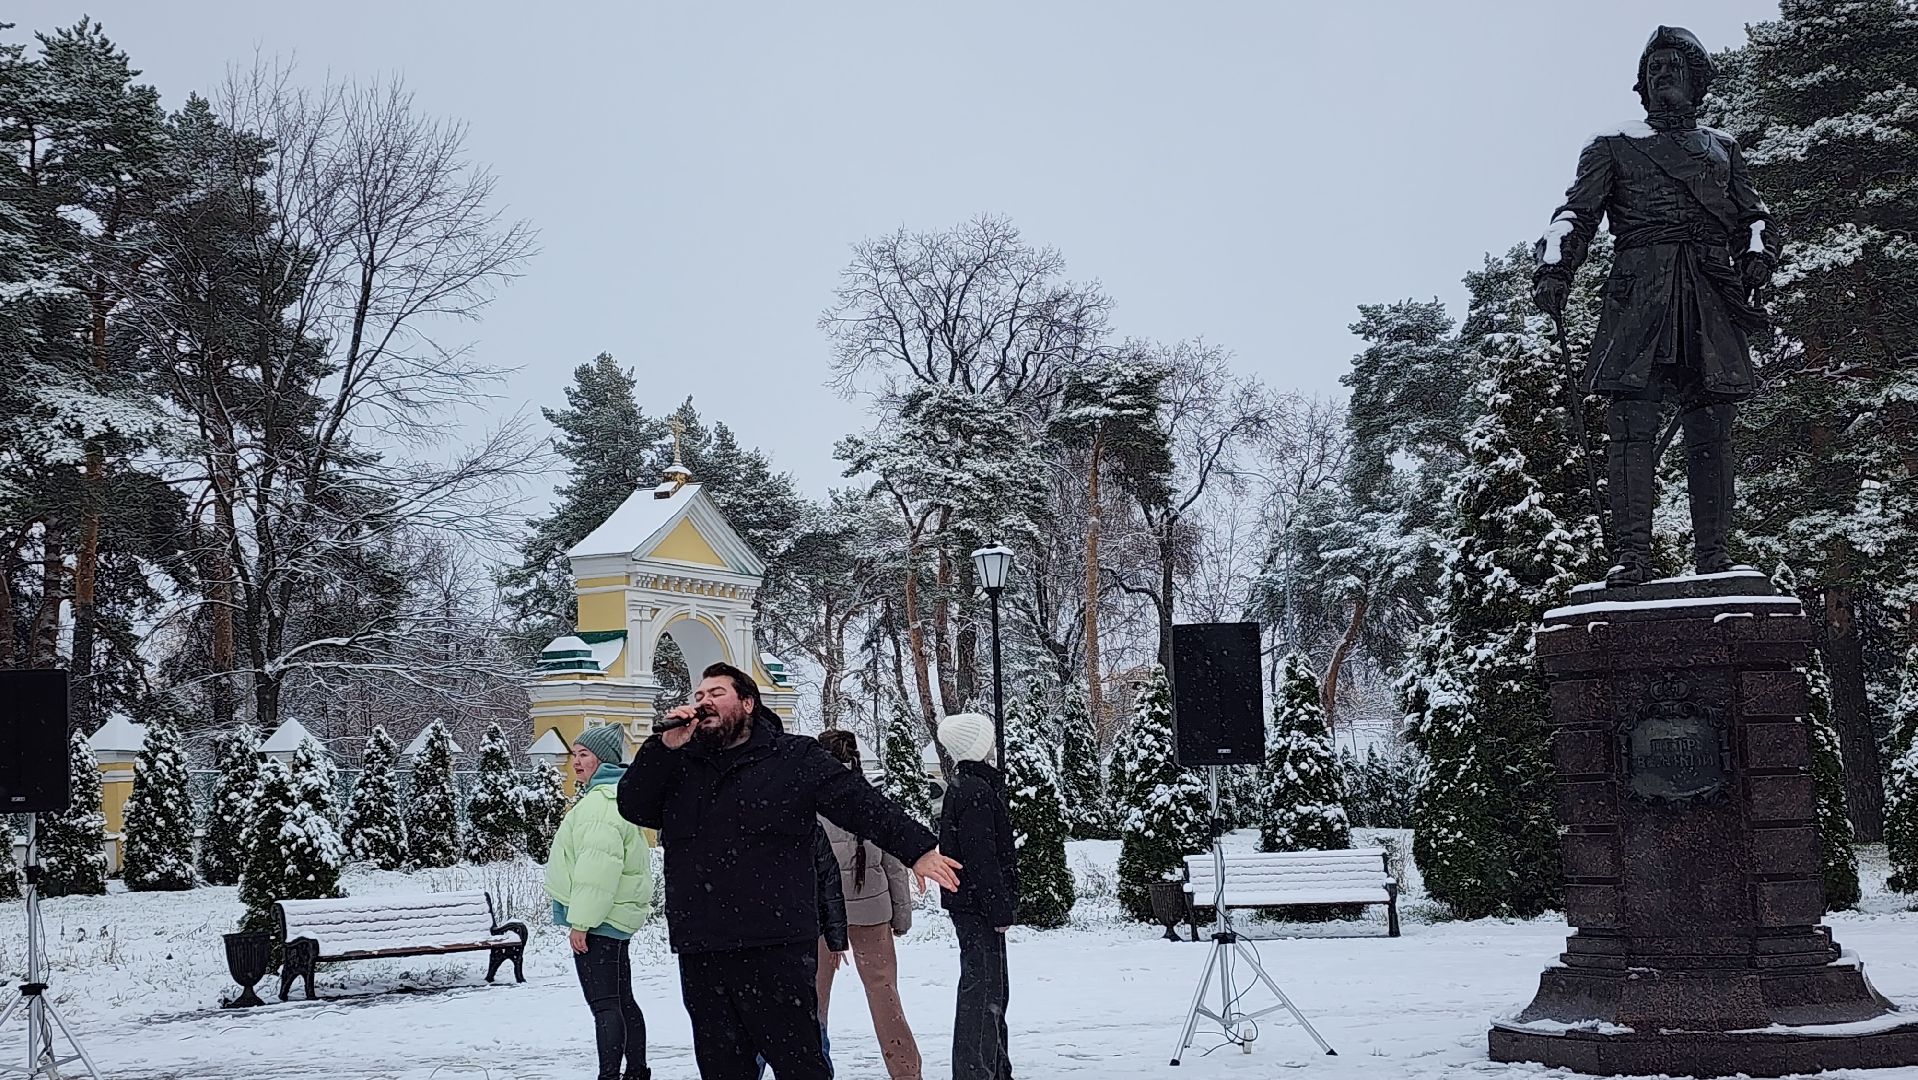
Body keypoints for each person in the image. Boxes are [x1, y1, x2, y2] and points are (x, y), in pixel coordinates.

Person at [617, 662, 962, 1080]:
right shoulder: (680, 762)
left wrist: (918, 848)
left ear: (747, 703)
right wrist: (661, 748)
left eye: (716, 693)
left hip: (776, 943)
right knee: (721, 1067)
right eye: (699, 696)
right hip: (704, 946)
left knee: (800, 1064)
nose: (703, 701)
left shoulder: (792, 757)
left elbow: (859, 802)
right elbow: (634, 806)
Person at [1531, 24, 1777, 586]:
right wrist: (1556, 266)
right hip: (1640, 291)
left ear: (1697, 82)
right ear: (1641, 86)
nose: (1662, 74)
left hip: (1709, 292)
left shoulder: (1724, 149)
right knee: (1630, 426)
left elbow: (1753, 217)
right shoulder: (1613, 146)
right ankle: (1631, 555)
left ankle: (1716, 555)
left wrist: (1758, 252)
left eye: (1673, 67)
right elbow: (1576, 215)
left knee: (1712, 426)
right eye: (1653, 68)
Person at [545, 724, 655, 1080]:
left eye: (584, 755)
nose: (576, 762)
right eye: (574, 754)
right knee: (622, 1000)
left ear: (602, 760)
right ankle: (636, 1072)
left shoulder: (599, 804)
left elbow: (597, 869)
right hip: (613, 918)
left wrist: (582, 922)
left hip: (599, 921)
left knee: (605, 1005)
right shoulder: (615, 796)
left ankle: (609, 1075)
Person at [816, 729, 923, 1080]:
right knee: (884, 994)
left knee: (813, 1000)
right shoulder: (870, 802)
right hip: (872, 911)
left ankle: (811, 1066)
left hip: (819, 915)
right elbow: (893, 862)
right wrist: (901, 916)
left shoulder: (810, 805)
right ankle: (906, 1072)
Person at [936, 713, 1017, 1080]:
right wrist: (999, 908)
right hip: (977, 907)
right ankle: (976, 1072)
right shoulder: (976, 792)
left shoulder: (967, 787)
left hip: (971, 904)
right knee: (983, 994)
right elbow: (982, 856)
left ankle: (994, 1068)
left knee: (990, 990)